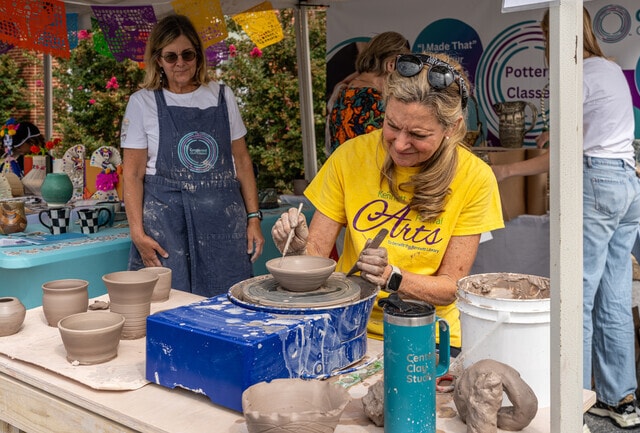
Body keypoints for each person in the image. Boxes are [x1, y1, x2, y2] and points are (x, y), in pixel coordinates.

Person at [273, 52, 504, 356]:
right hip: (347, 325)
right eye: (392, 125)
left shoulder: (475, 177)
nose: (399, 144)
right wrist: (296, 249)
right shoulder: (350, 156)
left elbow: (450, 288)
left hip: (426, 334)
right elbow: (314, 257)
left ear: (452, 126)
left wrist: (392, 277)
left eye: (418, 134)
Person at [491, 8, 640, 429]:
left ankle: (570, 402)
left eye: (546, 37)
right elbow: (595, 127)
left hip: (595, 183)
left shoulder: (574, 72)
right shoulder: (609, 69)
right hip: (627, 184)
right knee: (613, 297)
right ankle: (621, 400)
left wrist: (505, 171)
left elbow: (561, 156)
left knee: (575, 296)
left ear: (556, 35)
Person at [121, 14, 264, 297]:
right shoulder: (142, 102)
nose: (180, 63)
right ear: (158, 60)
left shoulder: (223, 96)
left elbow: (243, 162)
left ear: (198, 56)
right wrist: (137, 234)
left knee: (227, 306)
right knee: (169, 307)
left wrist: (254, 218)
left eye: (187, 54)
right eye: (170, 56)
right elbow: (133, 174)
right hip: (166, 226)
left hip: (222, 225)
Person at [325, 31, 410, 156]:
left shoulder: (344, 92)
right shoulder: (374, 101)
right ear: (391, 65)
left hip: (344, 172)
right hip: (368, 173)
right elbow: (392, 151)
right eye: (405, 67)